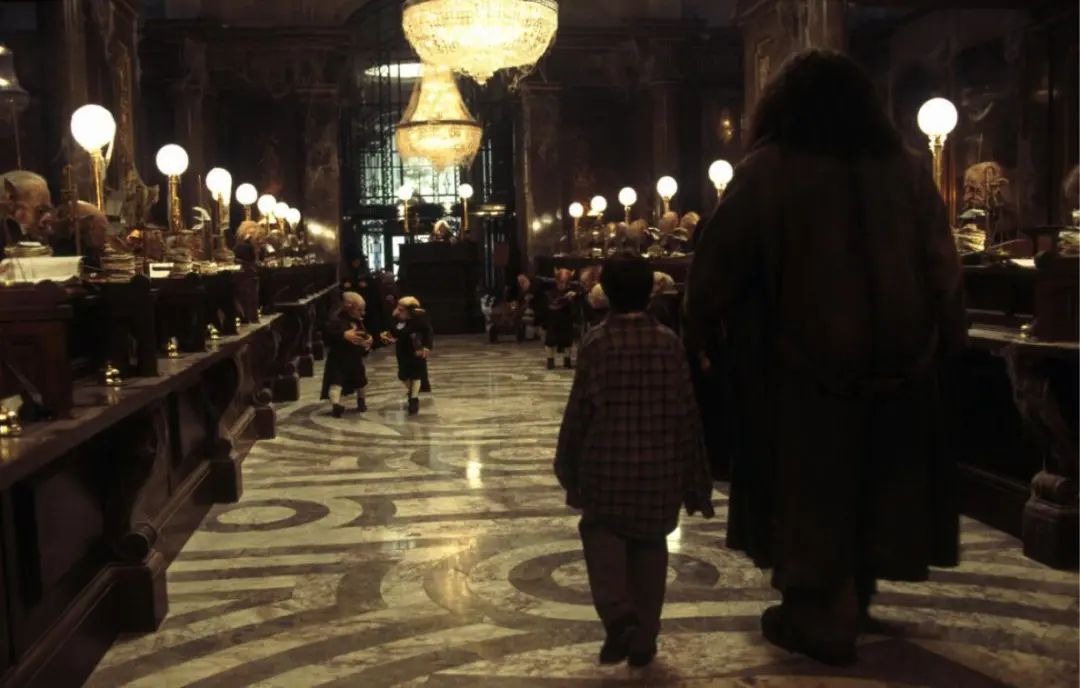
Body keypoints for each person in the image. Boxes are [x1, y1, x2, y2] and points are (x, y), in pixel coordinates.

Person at [685, 50, 967, 666]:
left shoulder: (767, 172)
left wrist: (699, 333)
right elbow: (943, 269)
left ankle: (819, 615)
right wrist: (950, 343)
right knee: (876, 484)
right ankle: (854, 595)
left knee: (808, 492)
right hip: (902, 369)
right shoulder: (908, 170)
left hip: (801, 373)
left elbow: (715, 268)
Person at [555, 252, 714, 668]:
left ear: (606, 291)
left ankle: (618, 615)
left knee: (601, 535)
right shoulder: (669, 342)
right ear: (650, 293)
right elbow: (687, 411)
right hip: (660, 469)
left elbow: (580, 410)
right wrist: (696, 479)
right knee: (650, 549)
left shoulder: (597, 342)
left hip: (607, 467)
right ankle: (644, 638)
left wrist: (567, 464)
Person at [320, 292, 373, 418]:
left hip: (354, 356)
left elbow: (363, 333)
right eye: (359, 310)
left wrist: (367, 340)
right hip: (338, 357)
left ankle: (361, 400)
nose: (362, 313)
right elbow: (328, 334)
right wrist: (343, 335)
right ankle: (336, 405)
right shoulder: (335, 319)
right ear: (349, 307)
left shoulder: (357, 321)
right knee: (335, 381)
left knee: (360, 381)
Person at [382, 296, 434, 416]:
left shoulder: (420, 319)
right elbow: (392, 332)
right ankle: (412, 392)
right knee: (403, 375)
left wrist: (427, 346)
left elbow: (428, 332)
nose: (398, 311)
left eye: (401, 309)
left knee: (416, 374)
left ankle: (414, 398)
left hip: (417, 350)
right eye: (398, 308)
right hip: (402, 350)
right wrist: (388, 337)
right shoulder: (396, 319)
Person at [536, 268, 582, 369]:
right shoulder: (550, 291)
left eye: (565, 282)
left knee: (567, 340)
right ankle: (550, 361)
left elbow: (579, 300)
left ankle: (567, 360)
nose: (563, 284)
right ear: (557, 280)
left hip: (566, 319)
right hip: (552, 320)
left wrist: (574, 296)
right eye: (561, 281)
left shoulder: (573, 291)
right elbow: (547, 306)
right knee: (550, 341)